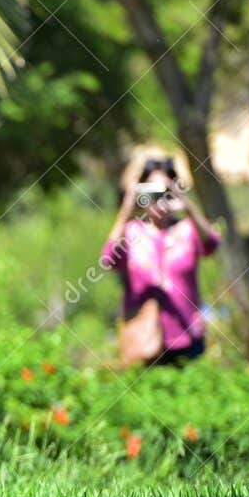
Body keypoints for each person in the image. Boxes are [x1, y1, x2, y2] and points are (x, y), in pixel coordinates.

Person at [100, 153, 220, 365]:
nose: (158, 199)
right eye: (151, 192)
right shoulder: (132, 232)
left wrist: (188, 206)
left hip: (188, 337)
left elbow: (212, 244)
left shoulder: (187, 230)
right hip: (144, 337)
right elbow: (108, 259)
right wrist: (127, 208)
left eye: (164, 192)